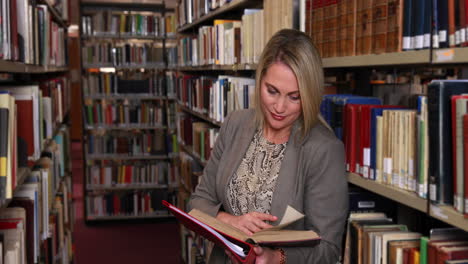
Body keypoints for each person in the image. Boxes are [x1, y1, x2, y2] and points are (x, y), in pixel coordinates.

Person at [188, 28, 348, 264]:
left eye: (294, 97)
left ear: (310, 94)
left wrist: (277, 258)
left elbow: (328, 248)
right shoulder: (236, 124)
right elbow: (197, 203)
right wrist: (230, 221)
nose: (279, 107)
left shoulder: (324, 149)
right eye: (272, 91)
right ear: (259, 80)